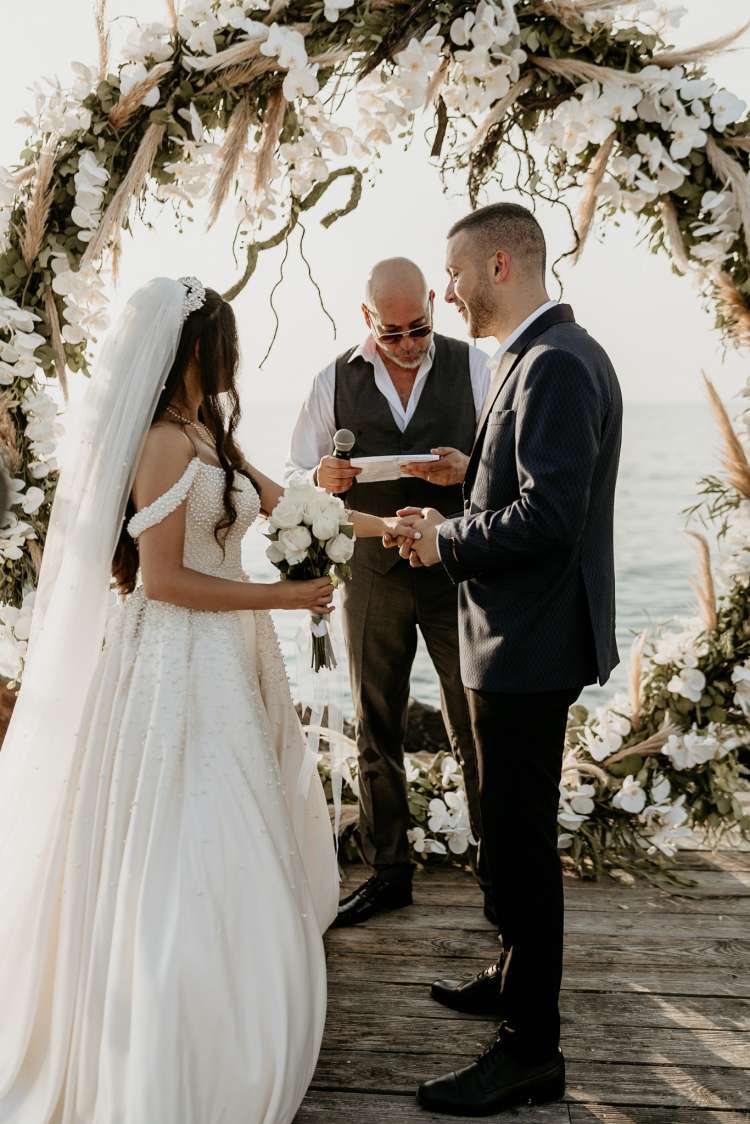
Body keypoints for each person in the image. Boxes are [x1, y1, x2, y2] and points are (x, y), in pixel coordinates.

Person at [0, 277, 417, 1124]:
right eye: (223, 347)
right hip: (176, 663)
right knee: (193, 823)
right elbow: (162, 579)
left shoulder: (206, 433)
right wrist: (283, 599)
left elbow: (291, 504)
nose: (231, 364)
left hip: (230, 655)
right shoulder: (159, 443)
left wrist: (394, 529)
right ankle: (185, 1029)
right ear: (193, 349)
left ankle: (242, 990)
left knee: (241, 811)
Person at [388, 204, 622, 1115]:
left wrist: (448, 541)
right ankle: (512, 971)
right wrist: (468, 478)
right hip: (515, 637)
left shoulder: (557, 363)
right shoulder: (540, 354)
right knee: (508, 829)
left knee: (521, 846)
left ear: (496, 266)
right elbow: (523, 483)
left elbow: (550, 519)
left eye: (450, 278)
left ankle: (531, 1049)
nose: (444, 296)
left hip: (526, 644)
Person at [285, 257, 493, 926]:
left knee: (475, 720)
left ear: (434, 303)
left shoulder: (476, 367)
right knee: (375, 721)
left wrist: (466, 475)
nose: (407, 344)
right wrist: (323, 475)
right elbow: (293, 474)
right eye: (393, 332)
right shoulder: (332, 380)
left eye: (419, 328)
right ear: (366, 318)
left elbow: (507, 465)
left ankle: (497, 870)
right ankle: (388, 872)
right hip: (372, 572)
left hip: (455, 566)